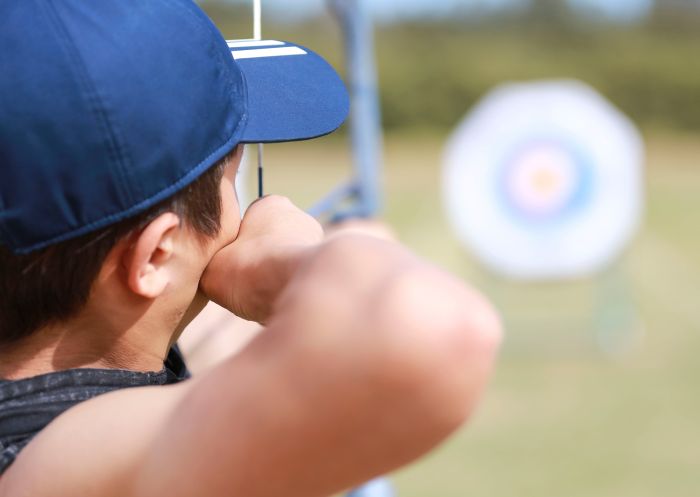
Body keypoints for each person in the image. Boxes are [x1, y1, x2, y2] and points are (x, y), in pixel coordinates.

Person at [0, 1, 502, 496]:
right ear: (155, 255)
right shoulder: (56, 461)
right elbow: (438, 327)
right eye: (232, 178)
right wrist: (285, 261)